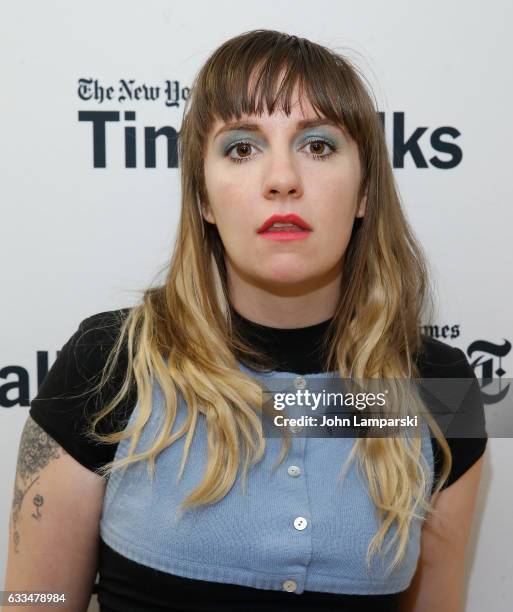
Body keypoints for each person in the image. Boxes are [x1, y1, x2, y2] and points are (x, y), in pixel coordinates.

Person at [4, 29, 487, 612]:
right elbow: (34, 598)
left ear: (364, 192)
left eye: (318, 145)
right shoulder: (111, 361)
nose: (282, 179)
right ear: (204, 198)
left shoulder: (439, 389)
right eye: (241, 148)